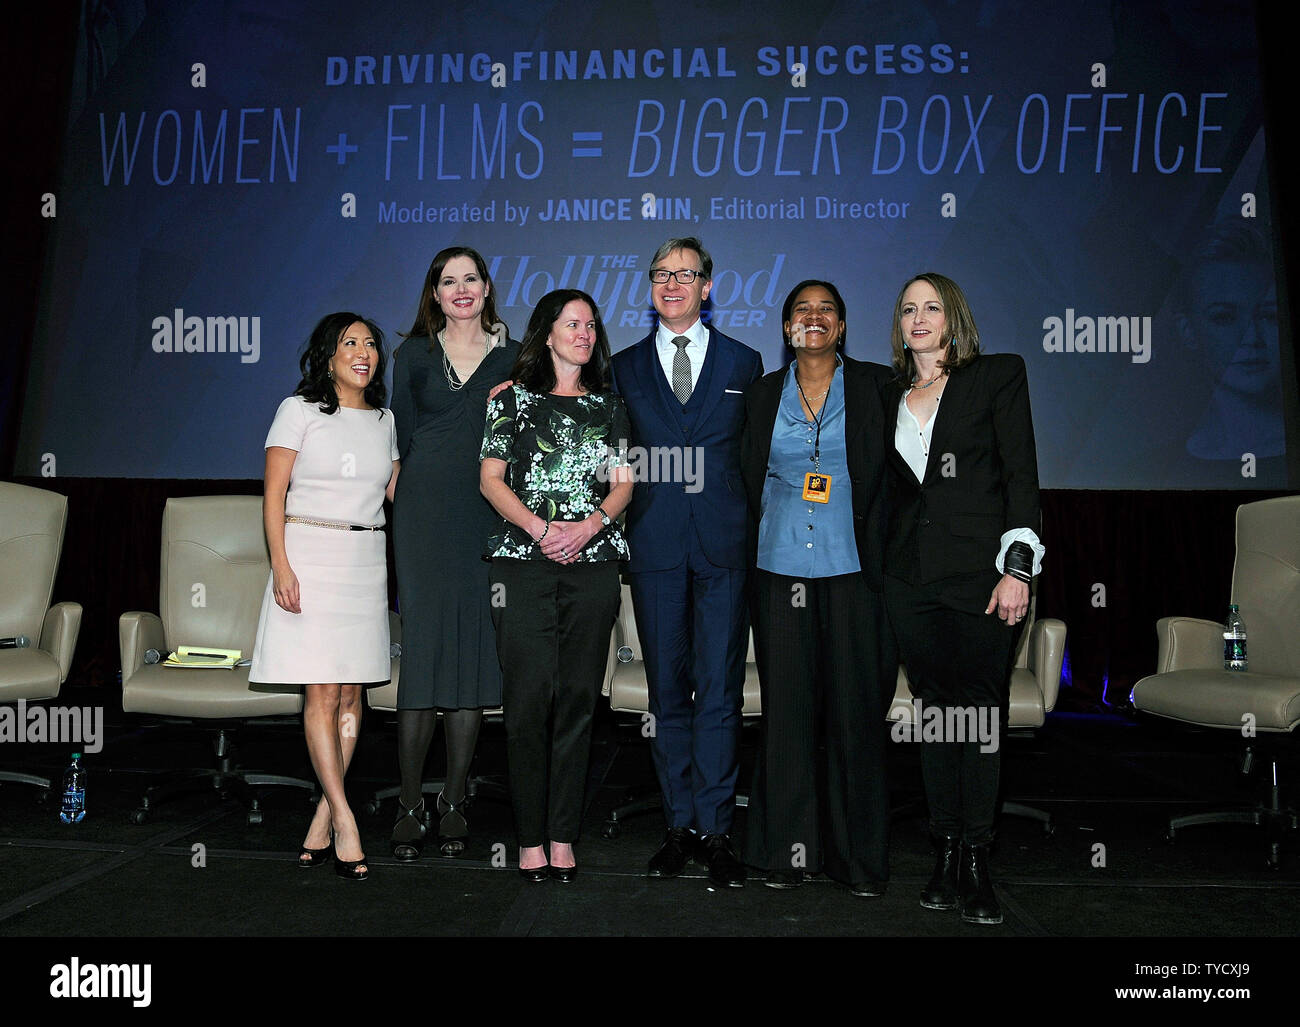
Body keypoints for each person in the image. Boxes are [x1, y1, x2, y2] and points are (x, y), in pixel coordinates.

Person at [881, 272, 1043, 925]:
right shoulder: (886, 392)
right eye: (908, 309)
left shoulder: (995, 375)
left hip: (981, 576)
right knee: (934, 714)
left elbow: (1021, 476)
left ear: (953, 317)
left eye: (931, 307)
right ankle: (943, 851)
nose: (919, 317)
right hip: (908, 581)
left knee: (977, 716)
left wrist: (1019, 570)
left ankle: (978, 857)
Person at [610, 236, 763, 889]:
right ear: (650, 289)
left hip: (726, 548)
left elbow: (759, 461)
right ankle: (679, 827)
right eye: (662, 274)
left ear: (707, 286)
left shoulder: (747, 362)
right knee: (667, 691)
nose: (673, 283)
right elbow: (610, 458)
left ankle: (717, 830)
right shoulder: (622, 367)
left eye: (686, 273)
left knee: (720, 693)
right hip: (656, 549)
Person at [740, 280, 896, 895]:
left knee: (855, 715)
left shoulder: (878, 388)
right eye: (801, 310)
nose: (813, 318)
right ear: (785, 329)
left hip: (855, 572)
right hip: (779, 571)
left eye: (826, 309)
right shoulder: (757, 397)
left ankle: (856, 861)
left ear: (842, 325)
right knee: (788, 715)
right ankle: (786, 855)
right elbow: (745, 478)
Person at [479, 288, 632, 882]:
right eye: (573, 323)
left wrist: (590, 525)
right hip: (522, 564)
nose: (584, 333)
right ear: (546, 333)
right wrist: (542, 529)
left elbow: (624, 485)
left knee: (576, 702)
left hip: (593, 566)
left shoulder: (610, 406)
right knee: (526, 703)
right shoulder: (510, 401)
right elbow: (491, 480)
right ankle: (528, 840)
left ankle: (563, 835)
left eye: (591, 325)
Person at [249, 312, 400, 882]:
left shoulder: (384, 420)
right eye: (350, 343)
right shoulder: (298, 411)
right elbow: (273, 496)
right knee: (322, 691)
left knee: (353, 696)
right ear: (328, 355)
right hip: (309, 555)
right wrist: (281, 566)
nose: (363, 352)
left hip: (365, 562)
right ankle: (345, 818)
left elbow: (393, 492)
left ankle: (321, 817)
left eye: (370, 344)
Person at [389, 246, 518, 860]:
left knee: (471, 653)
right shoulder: (411, 354)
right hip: (421, 516)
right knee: (425, 649)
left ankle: (455, 797)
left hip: (486, 516)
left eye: (471, 279)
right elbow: (398, 437)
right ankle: (411, 799)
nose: (461, 289)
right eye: (448, 281)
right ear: (434, 294)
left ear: (488, 288)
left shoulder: (518, 357)